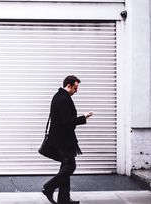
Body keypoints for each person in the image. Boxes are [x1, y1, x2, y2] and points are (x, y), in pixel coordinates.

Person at [42, 75, 93, 204]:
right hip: (62, 141)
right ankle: (49, 187)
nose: (76, 91)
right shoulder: (63, 99)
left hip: (60, 139)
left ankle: (64, 199)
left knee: (66, 166)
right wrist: (83, 117)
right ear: (68, 86)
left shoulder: (58, 96)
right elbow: (67, 122)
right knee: (70, 166)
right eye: (75, 88)